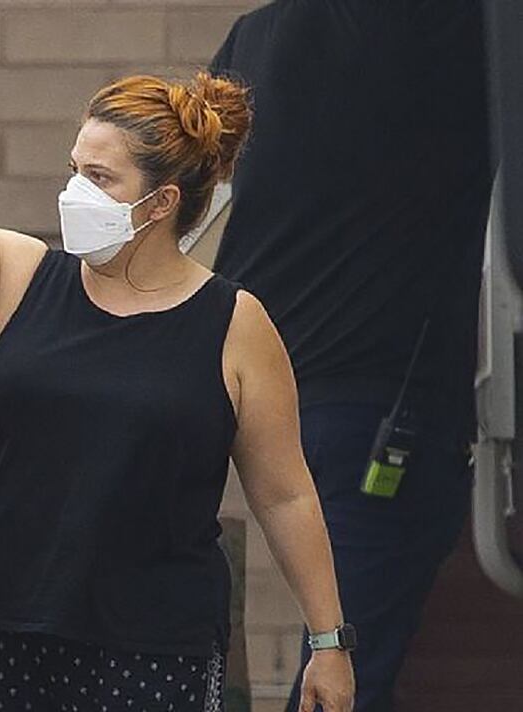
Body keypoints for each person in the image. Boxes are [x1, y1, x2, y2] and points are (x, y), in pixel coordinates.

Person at [0, 22, 356, 712]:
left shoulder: (234, 325)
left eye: (101, 177)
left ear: (162, 203)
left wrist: (328, 640)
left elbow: (285, 494)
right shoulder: (15, 275)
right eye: (75, 169)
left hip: (149, 654)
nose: (76, 190)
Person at [207, 2, 493, 711]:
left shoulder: (257, 35)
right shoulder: (443, 30)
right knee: (344, 675)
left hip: (244, 372)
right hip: (375, 399)